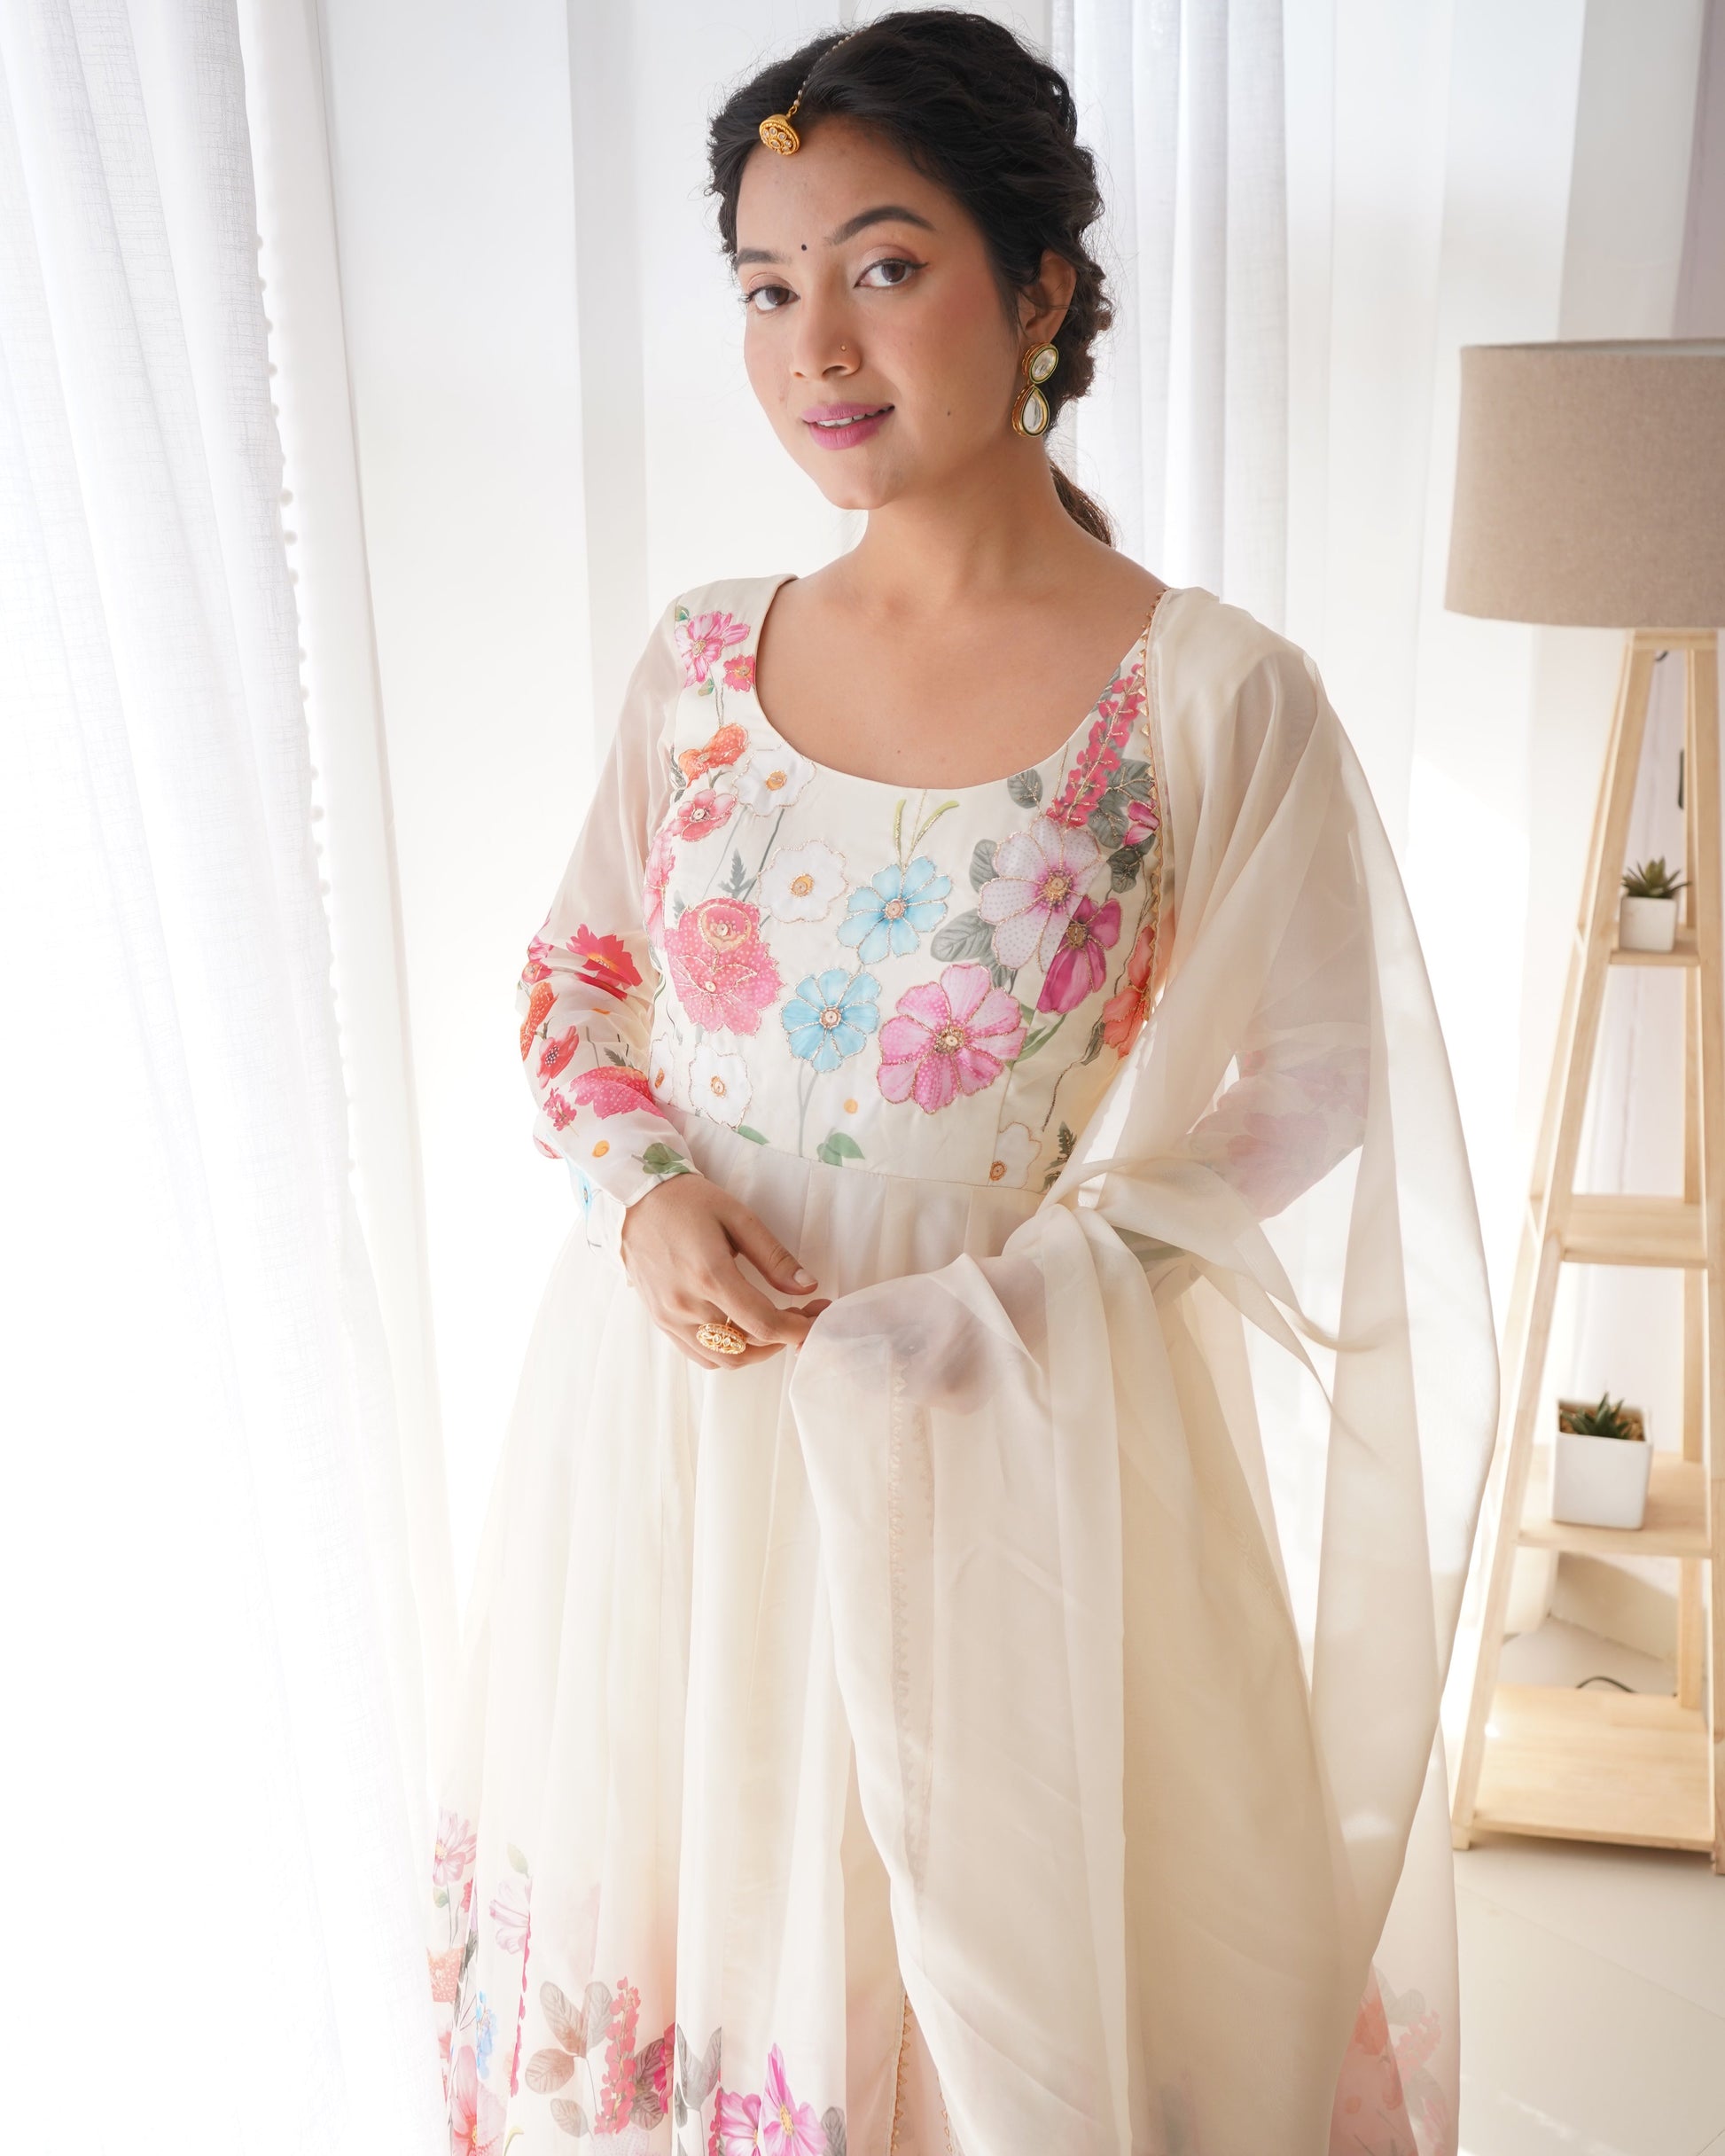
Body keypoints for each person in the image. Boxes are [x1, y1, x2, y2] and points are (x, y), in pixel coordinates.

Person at [428, 14, 1497, 2154]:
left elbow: (1304, 1076)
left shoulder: (1204, 691)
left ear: (1043, 292)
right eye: (763, 283)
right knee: (713, 1916)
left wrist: (1013, 1308)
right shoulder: (702, 658)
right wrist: (639, 1188)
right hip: (684, 1417)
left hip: (997, 1424)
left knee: (996, 1984)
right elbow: (577, 979)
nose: (814, 341)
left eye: (884, 265)